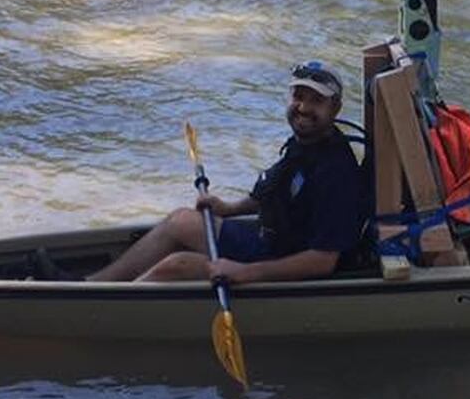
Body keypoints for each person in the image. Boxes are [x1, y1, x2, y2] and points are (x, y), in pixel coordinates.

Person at [87, 61, 363, 284]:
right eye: (298, 97)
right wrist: (227, 208)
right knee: (181, 220)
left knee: (176, 266)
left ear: (335, 108)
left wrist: (245, 272)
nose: (303, 108)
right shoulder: (304, 145)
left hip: (284, 264)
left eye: (316, 101)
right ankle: (90, 285)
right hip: (269, 241)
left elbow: (323, 261)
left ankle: (95, 311)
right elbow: (273, 192)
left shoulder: (336, 171)